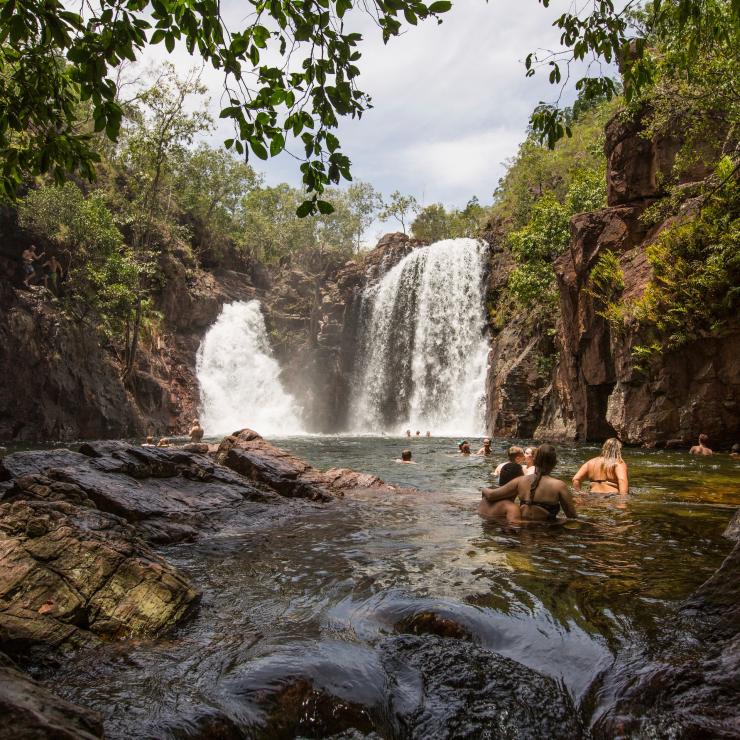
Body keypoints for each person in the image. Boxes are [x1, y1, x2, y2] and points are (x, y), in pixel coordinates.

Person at [479, 444, 577, 523]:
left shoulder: (520, 480)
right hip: (547, 535)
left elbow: (491, 495)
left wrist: (483, 489)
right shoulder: (559, 485)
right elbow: (572, 517)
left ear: (535, 460)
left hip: (521, 533)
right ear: (554, 463)